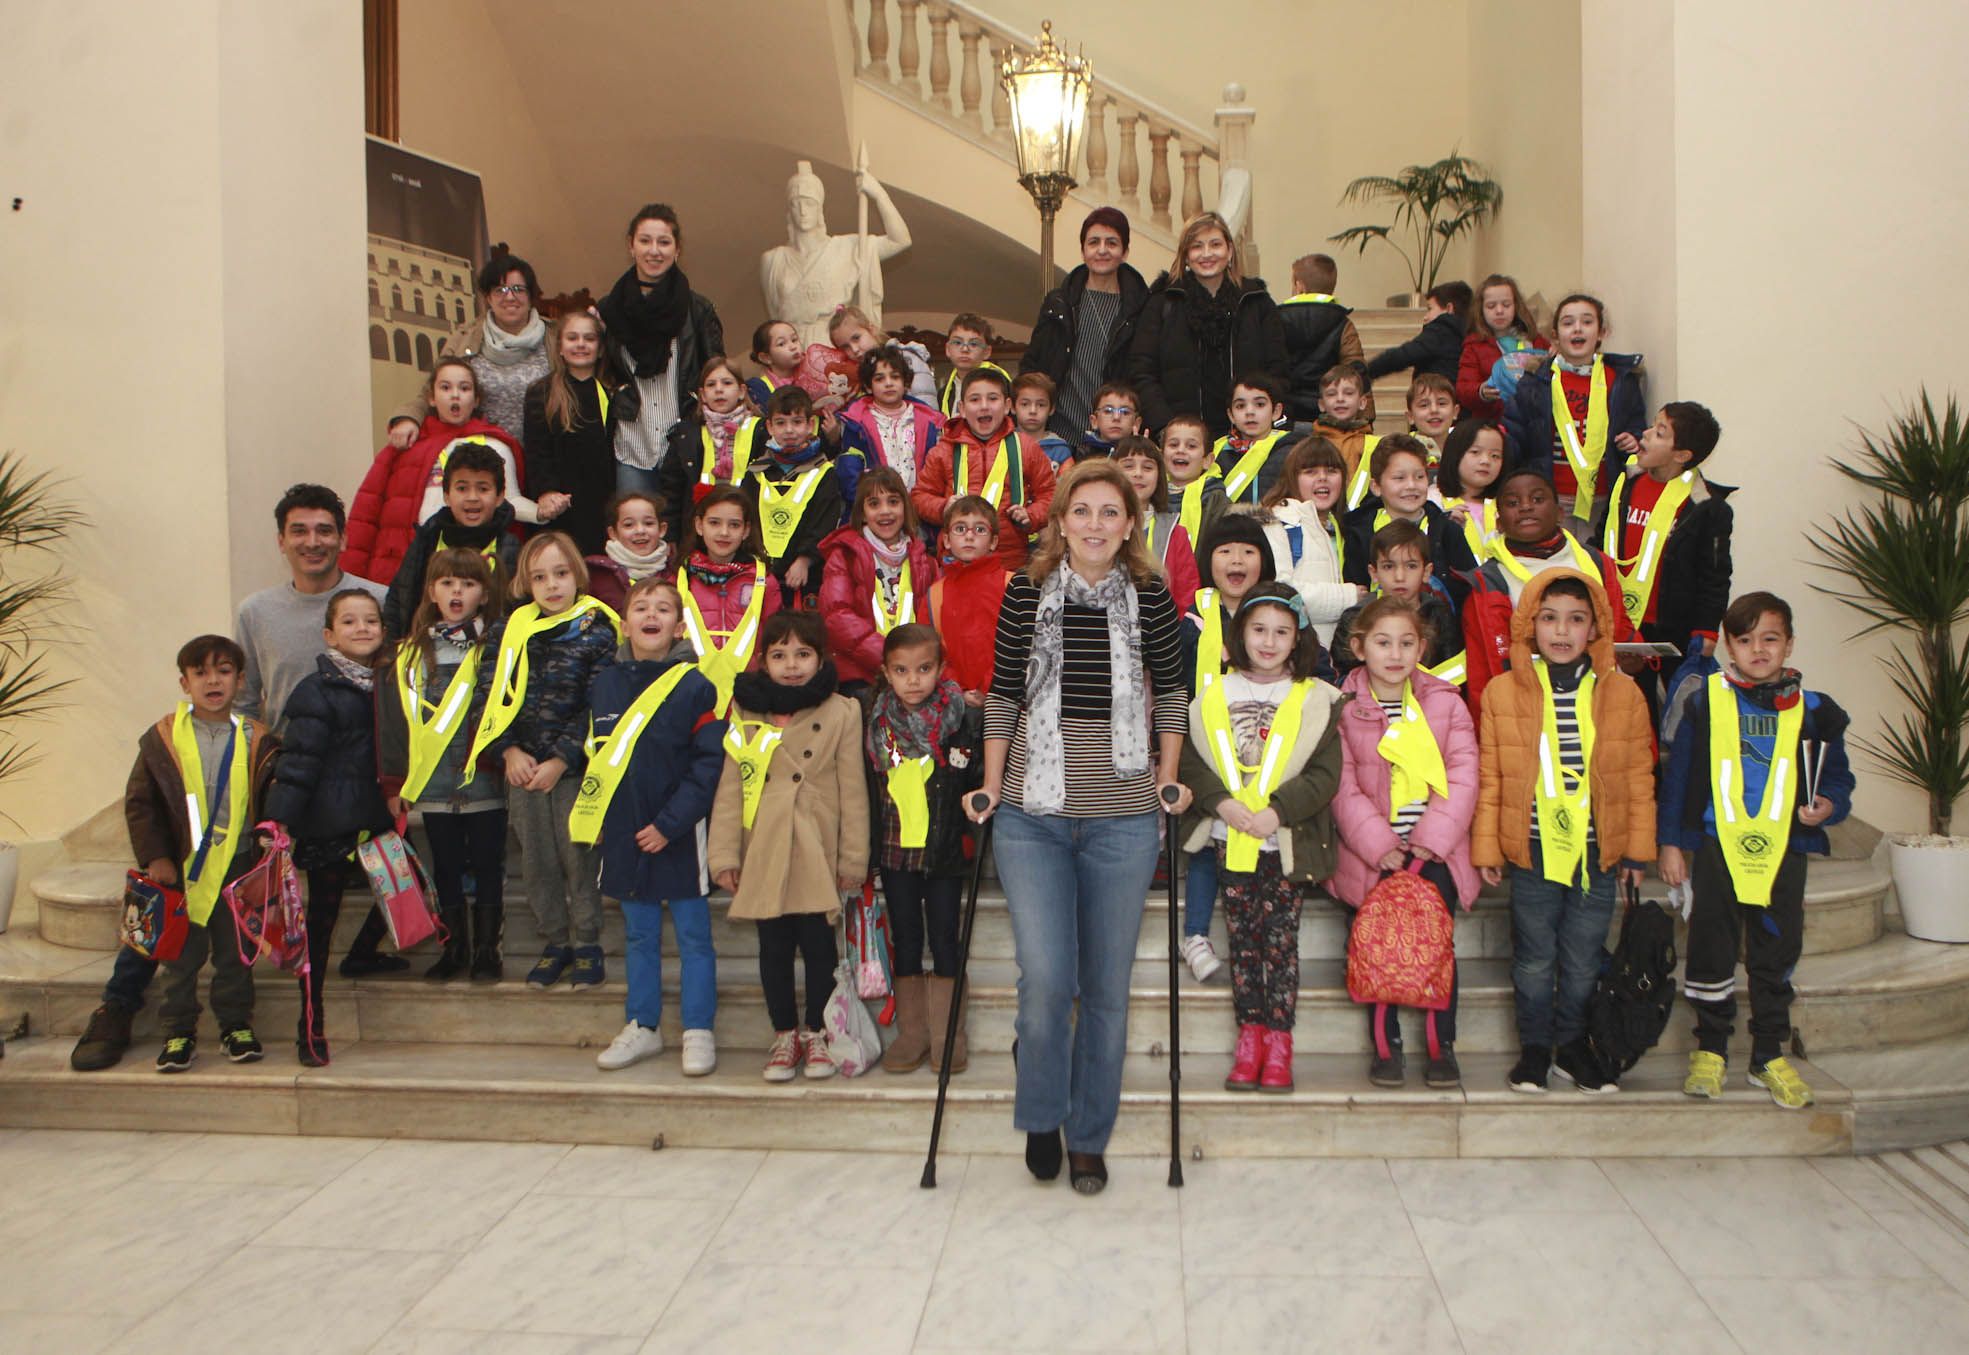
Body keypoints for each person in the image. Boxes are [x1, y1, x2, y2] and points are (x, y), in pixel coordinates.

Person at [70, 486, 381, 1073]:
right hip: (266, 780)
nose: (312, 541)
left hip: (324, 787)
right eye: (299, 530)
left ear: (342, 535)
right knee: (170, 920)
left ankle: (258, 1013)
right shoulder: (255, 611)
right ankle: (124, 1007)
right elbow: (252, 695)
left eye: (324, 530)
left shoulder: (377, 599)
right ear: (282, 540)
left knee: (256, 933)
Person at [970, 459, 1193, 1195]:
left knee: (1104, 987)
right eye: (1082, 510)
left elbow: (1173, 690)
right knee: (1047, 981)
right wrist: (989, 781)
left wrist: (1167, 773)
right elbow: (1003, 689)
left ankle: (1089, 1135)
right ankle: (1041, 1109)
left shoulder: (1153, 596)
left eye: (1110, 511)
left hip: (1124, 818)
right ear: (1059, 520)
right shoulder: (1024, 591)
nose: (1095, 524)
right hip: (1033, 815)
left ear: (1130, 523)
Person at [1660, 592, 1853, 1109]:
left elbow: (1836, 776)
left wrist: (1828, 805)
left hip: (1784, 849)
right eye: (1745, 640)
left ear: (1789, 643)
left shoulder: (1814, 711)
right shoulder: (1705, 700)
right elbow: (1678, 779)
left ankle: (1768, 1053)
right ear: (1729, 646)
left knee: (1776, 950)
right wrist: (1672, 843)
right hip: (1718, 847)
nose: (1758, 649)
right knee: (1711, 946)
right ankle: (1712, 1049)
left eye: (1770, 638)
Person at [1473, 570, 1656, 1093]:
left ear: (1596, 628)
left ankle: (1572, 1048)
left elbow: (1638, 778)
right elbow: (1492, 776)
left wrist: (1636, 851)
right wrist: (1488, 844)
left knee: (1582, 956)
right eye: (1549, 618)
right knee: (1534, 956)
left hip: (1596, 851)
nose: (1561, 631)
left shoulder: (1623, 693)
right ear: (1529, 625)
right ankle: (1534, 1049)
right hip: (1531, 849)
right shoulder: (1503, 693)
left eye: (1577, 620)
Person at [1177, 583, 1343, 1092]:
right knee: (1243, 944)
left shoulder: (1316, 698)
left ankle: (1279, 1041)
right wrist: (1221, 804)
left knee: (1280, 944)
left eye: (1281, 632)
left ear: (1297, 640)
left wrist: (1278, 813)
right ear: (1238, 634)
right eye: (1258, 630)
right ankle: (1248, 1035)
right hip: (1231, 839)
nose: (1269, 642)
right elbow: (1193, 762)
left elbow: (1324, 773)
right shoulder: (1212, 696)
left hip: (1283, 841)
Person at [708, 611, 869, 1082]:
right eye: (779, 655)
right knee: (773, 946)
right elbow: (731, 784)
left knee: (820, 946)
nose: (792, 665)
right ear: (764, 661)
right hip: (764, 842)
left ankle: (818, 1033)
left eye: (803, 654)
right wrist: (724, 855)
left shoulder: (843, 710)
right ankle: (785, 1035)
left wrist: (853, 858)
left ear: (821, 660)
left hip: (816, 842)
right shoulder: (745, 708)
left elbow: (853, 790)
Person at [1327, 594, 1480, 1088]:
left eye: (1406, 643)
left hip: (1435, 850)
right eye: (1382, 642)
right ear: (1359, 647)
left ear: (1422, 648)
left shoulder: (1445, 702)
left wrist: (1431, 840)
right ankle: (1385, 1046)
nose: (1395, 654)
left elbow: (1463, 774)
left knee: (1435, 948)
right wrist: (1379, 845)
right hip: (1373, 855)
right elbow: (1341, 783)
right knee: (1376, 950)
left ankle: (1441, 1044)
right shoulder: (1342, 708)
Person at [584, 576, 727, 1076]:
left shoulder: (695, 686)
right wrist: (596, 814)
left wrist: (670, 824)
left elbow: (708, 766)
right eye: (641, 607)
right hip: (625, 834)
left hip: (680, 834)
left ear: (679, 624)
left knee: (693, 937)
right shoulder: (604, 683)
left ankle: (698, 1029)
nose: (651, 615)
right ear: (625, 624)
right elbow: (597, 756)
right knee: (640, 936)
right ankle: (643, 1025)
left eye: (663, 608)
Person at [466, 531, 620, 990]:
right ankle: (556, 941)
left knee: (577, 855)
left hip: (573, 770)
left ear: (577, 575)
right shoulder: (506, 631)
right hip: (522, 769)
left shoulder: (597, 629)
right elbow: (487, 697)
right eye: (539, 577)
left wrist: (560, 758)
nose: (552, 585)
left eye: (560, 573)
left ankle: (588, 940)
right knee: (536, 860)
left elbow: (600, 704)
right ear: (524, 583)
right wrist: (509, 750)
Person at [264, 589, 401, 1066]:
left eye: (371, 620)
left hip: (374, 820)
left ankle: (363, 952)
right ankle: (310, 1023)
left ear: (383, 630)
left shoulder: (389, 684)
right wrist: (280, 817)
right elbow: (298, 762)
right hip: (328, 825)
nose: (362, 628)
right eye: (349, 621)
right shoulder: (315, 691)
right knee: (319, 928)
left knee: (408, 891)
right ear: (329, 634)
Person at [135, 636, 281, 1072]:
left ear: (240, 680)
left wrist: (271, 840)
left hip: (236, 869)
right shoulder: (162, 737)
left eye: (223, 671)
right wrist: (156, 857)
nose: (212, 680)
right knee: (179, 959)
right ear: (184, 683)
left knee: (235, 954)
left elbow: (271, 795)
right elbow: (141, 803)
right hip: (181, 871)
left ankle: (236, 1025)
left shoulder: (258, 738)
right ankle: (178, 1031)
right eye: (200, 673)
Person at [379, 547, 508, 981]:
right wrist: (394, 783)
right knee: (446, 866)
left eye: (469, 584)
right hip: (431, 782)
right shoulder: (409, 654)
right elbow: (395, 723)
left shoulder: (497, 646)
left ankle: (488, 949)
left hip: (482, 779)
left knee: (489, 865)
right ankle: (455, 948)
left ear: (484, 595)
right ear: (431, 591)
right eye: (447, 583)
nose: (457, 591)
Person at [865, 623, 981, 1073]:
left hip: (944, 850)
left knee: (945, 938)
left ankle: (948, 1033)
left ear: (941, 669)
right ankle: (912, 1033)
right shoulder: (874, 721)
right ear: (886, 672)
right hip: (896, 852)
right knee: (907, 938)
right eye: (901, 670)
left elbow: (975, 780)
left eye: (924, 669)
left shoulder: (961, 719)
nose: (913, 680)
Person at [344, 355, 538, 587]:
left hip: (474, 574)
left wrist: (541, 511)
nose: (455, 394)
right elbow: (365, 516)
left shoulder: (496, 444)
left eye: (464, 388)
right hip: (403, 572)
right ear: (431, 398)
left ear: (476, 400)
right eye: (445, 387)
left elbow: (510, 504)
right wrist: (352, 579)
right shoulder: (405, 444)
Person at [1461, 467, 1635, 708]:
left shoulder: (1596, 562)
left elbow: (1620, 625)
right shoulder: (1487, 582)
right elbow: (1481, 671)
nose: (1525, 507)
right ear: (1499, 523)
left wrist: (1634, 653)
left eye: (1537, 499)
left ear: (1560, 513)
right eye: (1513, 502)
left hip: (1599, 699)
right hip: (1525, 705)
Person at [599, 204, 726, 496]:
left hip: (685, 447)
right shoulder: (609, 309)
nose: (654, 251)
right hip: (633, 448)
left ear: (677, 249)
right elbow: (603, 373)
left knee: (685, 538)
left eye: (664, 242)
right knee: (634, 536)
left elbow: (717, 375)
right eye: (645, 241)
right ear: (631, 245)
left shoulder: (698, 310)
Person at [1601, 401, 1733, 676]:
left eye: (1660, 433)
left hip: (1667, 634)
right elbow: (1601, 540)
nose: (1646, 434)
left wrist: (1706, 630)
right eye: (1652, 426)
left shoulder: (1706, 506)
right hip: (1614, 622)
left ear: (1682, 455)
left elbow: (1715, 577)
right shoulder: (1627, 482)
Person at [1129, 210, 1288, 438]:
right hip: (1182, 442)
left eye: (1215, 245)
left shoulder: (1257, 302)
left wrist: (1266, 422)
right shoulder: (1162, 303)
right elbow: (1142, 371)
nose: (1206, 254)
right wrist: (1166, 427)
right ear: (1185, 255)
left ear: (1230, 250)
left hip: (1249, 439)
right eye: (1196, 246)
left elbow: (1278, 370)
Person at [1504, 292, 1646, 537]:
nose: (1577, 329)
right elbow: (1516, 434)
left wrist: (1633, 439)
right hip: (1551, 496)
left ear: (1602, 332)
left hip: (1603, 496)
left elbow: (1636, 423)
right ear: (1555, 335)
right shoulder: (1537, 380)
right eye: (1568, 323)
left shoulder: (1621, 380)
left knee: (1595, 567)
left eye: (1587, 322)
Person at [386, 252, 550, 447]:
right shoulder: (464, 337)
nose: (510, 297)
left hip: (544, 460)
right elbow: (433, 389)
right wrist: (408, 418)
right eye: (500, 290)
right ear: (488, 297)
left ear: (530, 295)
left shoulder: (555, 337)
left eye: (518, 289)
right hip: (481, 459)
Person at [1021, 207, 1150, 440]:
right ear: (1083, 251)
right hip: (1061, 434)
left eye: (1111, 243)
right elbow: (1034, 365)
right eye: (1094, 242)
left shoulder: (1142, 308)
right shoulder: (1059, 303)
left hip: (1117, 437)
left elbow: (1146, 375)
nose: (1102, 250)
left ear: (1125, 251)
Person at [912, 366, 1057, 569]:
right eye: (974, 400)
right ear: (961, 409)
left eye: (992, 399)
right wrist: (943, 507)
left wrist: (1031, 515)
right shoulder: (944, 449)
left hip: (1010, 562)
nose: (984, 406)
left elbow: (1051, 494)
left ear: (1007, 405)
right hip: (957, 564)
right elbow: (920, 496)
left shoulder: (1026, 447)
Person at [524, 310, 641, 556]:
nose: (580, 344)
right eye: (572, 338)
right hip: (563, 505)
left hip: (604, 503)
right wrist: (546, 492)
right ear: (559, 347)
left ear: (600, 348)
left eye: (589, 338)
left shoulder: (613, 393)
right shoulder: (541, 393)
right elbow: (537, 451)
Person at [761, 159, 912, 349]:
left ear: (820, 208)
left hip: (833, 349)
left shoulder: (846, 247)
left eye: (809, 203)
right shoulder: (773, 260)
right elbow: (775, 319)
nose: (802, 211)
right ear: (789, 210)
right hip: (793, 353)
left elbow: (900, 240)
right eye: (795, 204)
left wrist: (878, 194)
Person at [818, 468, 939, 696]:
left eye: (893, 502)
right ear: (862, 513)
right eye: (874, 504)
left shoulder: (926, 561)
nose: (885, 512)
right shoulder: (845, 555)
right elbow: (837, 617)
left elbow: (936, 620)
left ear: (905, 507)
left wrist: (912, 666)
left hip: (915, 677)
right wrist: (890, 660)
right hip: (861, 676)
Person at [381, 443, 520, 640]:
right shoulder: (426, 541)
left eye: (483, 488)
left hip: (488, 657)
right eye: (462, 488)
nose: (472, 498)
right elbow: (399, 601)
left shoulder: (511, 549)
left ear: (499, 497)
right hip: (427, 653)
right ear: (446, 495)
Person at [679, 486, 781, 718]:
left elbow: (773, 639)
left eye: (734, 525)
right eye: (714, 523)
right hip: (692, 696)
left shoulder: (764, 581)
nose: (724, 532)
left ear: (746, 530)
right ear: (698, 525)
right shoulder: (679, 578)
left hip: (748, 697)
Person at [745, 385, 846, 607]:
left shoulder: (823, 472)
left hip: (804, 575)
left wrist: (804, 559)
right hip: (759, 572)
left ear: (810, 425)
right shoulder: (755, 471)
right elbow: (747, 519)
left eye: (797, 422)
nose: (789, 430)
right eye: (781, 423)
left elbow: (823, 523)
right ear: (769, 426)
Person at [1331, 521, 1465, 685]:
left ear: (1426, 572)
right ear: (1374, 573)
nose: (1400, 576)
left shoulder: (1438, 613)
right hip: (1372, 705)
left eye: (1411, 566)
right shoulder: (1355, 618)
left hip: (1432, 704)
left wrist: (1424, 692)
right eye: (1388, 566)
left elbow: (1456, 671)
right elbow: (1344, 679)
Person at [1339, 435, 1479, 593]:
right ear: (1376, 486)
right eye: (1399, 478)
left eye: (1419, 477)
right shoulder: (1360, 534)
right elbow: (1358, 593)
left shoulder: (1447, 530)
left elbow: (1469, 590)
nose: (1411, 485)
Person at [654, 357, 766, 546]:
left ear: (741, 391)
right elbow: (672, 490)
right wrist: (671, 537)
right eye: (711, 384)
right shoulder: (687, 434)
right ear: (703, 395)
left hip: (748, 527)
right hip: (698, 531)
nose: (719, 389)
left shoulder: (761, 431)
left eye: (727, 383)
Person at [1257, 437, 1357, 646]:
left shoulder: (1343, 528)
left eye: (1331, 470)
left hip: (1336, 656)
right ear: (1292, 478)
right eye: (1310, 471)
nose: (1322, 478)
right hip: (1296, 654)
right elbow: (1280, 591)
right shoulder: (1279, 521)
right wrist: (1349, 597)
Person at [926, 494, 1010, 711]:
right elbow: (930, 653)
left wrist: (988, 687)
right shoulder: (934, 594)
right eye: (960, 528)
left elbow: (1019, 646)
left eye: (980, 529)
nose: (969, 536)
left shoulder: (1012, 585)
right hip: (953, 703)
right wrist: (957, 690)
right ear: (946, 540)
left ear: (993, 542)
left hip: (1007, 703)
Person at [1115, 435, 1201, 614]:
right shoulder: (1099, 526)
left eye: (1147, 467)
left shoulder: (1175, 533)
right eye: (1128, 466)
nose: (1138, 473)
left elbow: (1187, 597)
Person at [1279, 253, 1368, 426]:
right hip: (1330, 414)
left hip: (1287, 413)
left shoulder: (1277, 321)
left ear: (1299, 286)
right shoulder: (1342, 323)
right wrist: (1367, 416)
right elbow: (1356, 369)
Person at [840, 344, 940, 492]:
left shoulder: (927, 421)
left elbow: (936, 470)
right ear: (868, 386)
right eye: (879, 379)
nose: (888, 383)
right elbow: (850, 471)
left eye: (895, 377)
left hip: (918, 508)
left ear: (906, 382)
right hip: (875, 507)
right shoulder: (857, 422)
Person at [1456, 273, 1548, 424]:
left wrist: (1555, 354)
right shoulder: (1474, 346)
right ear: (1480, 310)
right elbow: (1463, 388)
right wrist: (1481, 391)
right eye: (1491, 306)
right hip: (1494, 424)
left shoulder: (1536, 340)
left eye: (1506, 305)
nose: (1499, 311)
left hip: (1534, 422)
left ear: (1516, 306)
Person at [1213, 372, 1303, 505]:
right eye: (1240, 406)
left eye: (1260, 404)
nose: (1250, 412)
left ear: (1276, 411)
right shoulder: (1216, 452)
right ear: (1231, 414)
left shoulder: (1294, 451)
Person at [1364, 280, 1471, 387]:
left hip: (1434, 396)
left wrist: (1368, 371)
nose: (1425, 316)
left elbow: (1403, 355)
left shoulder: (1441, 330)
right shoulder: (1468, 334)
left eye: (1430, 309)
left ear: (1449, 309)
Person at [829, 305, 938, 407]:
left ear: (872, 330)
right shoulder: (851, 377)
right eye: (845, 347)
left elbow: (926, 404)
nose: (854, 349)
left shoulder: (907, 359)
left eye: (856, 338)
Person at [584, 489, 671, 616]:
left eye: (648, 523)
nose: (640, 530)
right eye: (629, 525)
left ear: (662, 529)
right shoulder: (596, 576)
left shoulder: (679, 571)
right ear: (613, 533)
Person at [1436, 417, 1508, 564]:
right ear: (1454, 454)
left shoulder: (1507, 505)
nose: (1485, 461)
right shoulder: (1434, 502)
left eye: (1495, 456)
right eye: (1475, 452)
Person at [1161, 413, 1229, 558]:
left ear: (1207, 460)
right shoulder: (1151, 495)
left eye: (1191, 446)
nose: (1181, 450)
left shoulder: (1215, 501)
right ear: (1161, 455)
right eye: (1173, 444)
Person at [1311, 362, 1378, 507]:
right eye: (1331, 394)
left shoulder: (1374, 446)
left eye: (1348, 393)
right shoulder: (1309, 446)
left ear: (1362, 402)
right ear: (1321, 404)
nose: (1340, 399)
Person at [938, 313, 1008, 418]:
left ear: (987, 352)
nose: (965, 349)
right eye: (957, 343)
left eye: (974, 344)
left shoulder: (1000, 384)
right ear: (948, 349)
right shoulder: (944, 393)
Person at [1012, 371, 1073, 465]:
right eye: (1025, 404)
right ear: (1013, 407)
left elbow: (1068, 479)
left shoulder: (1060, 451)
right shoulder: (1004, 445)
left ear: (1051, 409)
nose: (1033, 411)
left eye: (1041, 405)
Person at [1078, 380, 1145, 462]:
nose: (1116, 417)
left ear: (1136, 423)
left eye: (1125, 412)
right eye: (1108, 411)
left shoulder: (1145, 452)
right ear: (1094, 421)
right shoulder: (1085, 453)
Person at [747, 319, 805, 410]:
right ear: (766, 358)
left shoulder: (814, 370)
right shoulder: (760, 389)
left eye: (794, 340)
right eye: (781, 344)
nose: (793, 347)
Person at [1404, 372, 1460, 461]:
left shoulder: (1466, 450)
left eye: (1442, 403)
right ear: (1410, 416)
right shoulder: (1402, 451)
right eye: (1424, 405)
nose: (1434, 410)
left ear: (1455, 412)